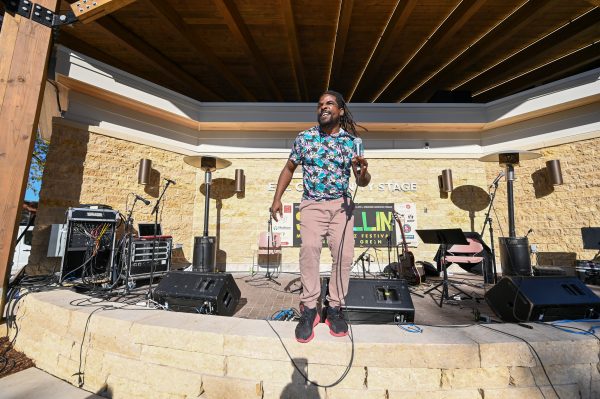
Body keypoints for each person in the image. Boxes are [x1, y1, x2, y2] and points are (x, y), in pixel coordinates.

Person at [270, 90, 371, 343]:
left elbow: (363, 181)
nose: (323, 107)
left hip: (342, 206)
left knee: (344, 255)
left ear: (340, 111)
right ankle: (309, 309)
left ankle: (335, 307)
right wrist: (276, 198)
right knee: (310, 249)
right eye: (320, 104)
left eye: (329, 104)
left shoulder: (351, 142)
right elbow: (289, 167)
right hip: (312, 204)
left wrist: (363, 172)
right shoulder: (305, 138)